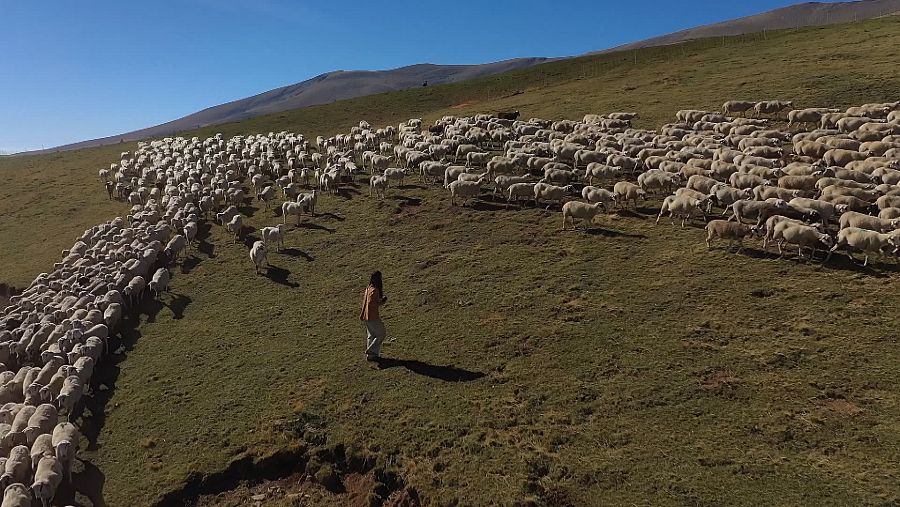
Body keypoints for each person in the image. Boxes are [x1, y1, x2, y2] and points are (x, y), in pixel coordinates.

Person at [360, 270, 388, 360]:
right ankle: (371, 350)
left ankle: (371, 356)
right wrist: (381, 301)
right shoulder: (374, 290)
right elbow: (372, 302)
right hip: (372, 316)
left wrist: (380, 302)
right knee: (381, 333)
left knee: (371, 335)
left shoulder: (368, 288)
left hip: (365, 316)